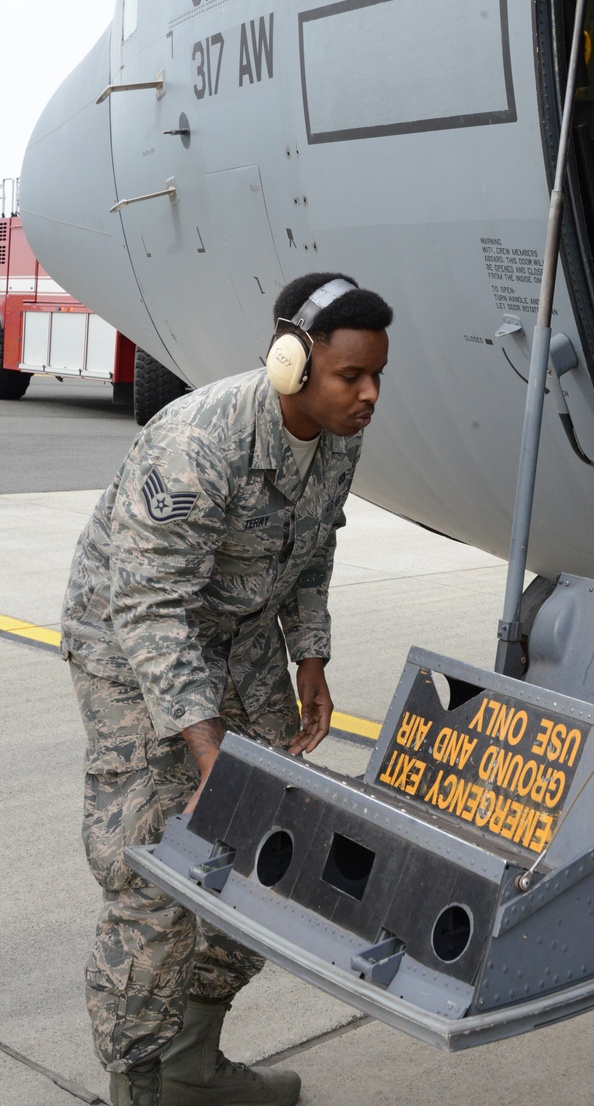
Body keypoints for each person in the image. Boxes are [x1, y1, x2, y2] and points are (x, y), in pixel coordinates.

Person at [62, 273, 393, 1106]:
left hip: (237, 639)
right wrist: (206, 750)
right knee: (151, 875)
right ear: (293, 363)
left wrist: (310, 657)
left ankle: (190, 1066)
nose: (370, 395)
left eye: (378, 375)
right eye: (351, 376)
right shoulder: (197, 443)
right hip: (129, 644)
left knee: (268, 848)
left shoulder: (338, 435)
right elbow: (149, 609)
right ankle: (134, 1083)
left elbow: (314, 549)